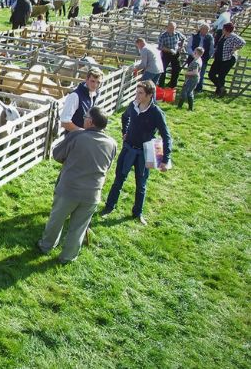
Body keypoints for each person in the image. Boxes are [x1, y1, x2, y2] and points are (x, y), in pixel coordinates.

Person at [37, 107, 116, 263]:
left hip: (69, 190)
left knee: (56, 220)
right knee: (78, 227)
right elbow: (107, 166)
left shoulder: (76, 136)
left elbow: (57, 155)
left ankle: (46, 246)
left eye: (86, 117)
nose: (84, 119)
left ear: (90, 122)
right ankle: (68, 256)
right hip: (93, 194)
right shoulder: (112, 143)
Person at [100, 80, 172, 226]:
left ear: (150, 95)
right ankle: (109, 207)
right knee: (119, 179)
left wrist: (165, 159)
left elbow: (166, 136)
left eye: (140, 93)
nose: (137, 95)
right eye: (136, 92)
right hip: (128, 149)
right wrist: (124, 131)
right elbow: (124, 117)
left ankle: (137, 213)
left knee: (141, 184)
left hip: (144, 153)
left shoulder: (156, 113)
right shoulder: (133, 105)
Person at [60, 67, 103, 132]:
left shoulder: (95, 93)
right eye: (92, 81)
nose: (95, 85)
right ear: (86, 80)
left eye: (98, 82)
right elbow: (64, 122)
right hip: (74, 138)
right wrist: (83, 133)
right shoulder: (75, 96)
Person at [208, 23, 245, 97]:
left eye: (223, 28)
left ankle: (219, 93)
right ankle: (221, 88)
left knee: (221, 76)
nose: (222, 30)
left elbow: (243, 42)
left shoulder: (233, 36)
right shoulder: (223, 35)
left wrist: (235, 49)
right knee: (211, 74)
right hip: (219, 58)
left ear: (227, 30)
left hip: (228, 59)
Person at [185, 22, 214, 92]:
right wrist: (193, 55)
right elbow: (188, 47)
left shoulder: (210, 38)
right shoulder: (194, 36)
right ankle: (187, 87)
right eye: (203, 29)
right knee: (190, 72)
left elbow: (211, 49)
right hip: (192, 58)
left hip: (203, 59)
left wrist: (208, 56)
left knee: (201, 74)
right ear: (200, 29)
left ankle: (198, 89)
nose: (205, 31)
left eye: (207, 30)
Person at [157, 21, 185, 89]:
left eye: (173, 28)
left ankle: (172, 85)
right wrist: (169, 50)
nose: (172, 30)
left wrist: (181, 47)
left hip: (175, 53)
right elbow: (160, 47)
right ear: (167, 28)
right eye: (170, 28)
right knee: (163, 69)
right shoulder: (163, 35)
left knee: (176, 69)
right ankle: (161, 85)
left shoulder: (177, 34)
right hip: (166, 53)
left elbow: (183, 38)